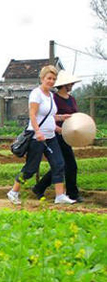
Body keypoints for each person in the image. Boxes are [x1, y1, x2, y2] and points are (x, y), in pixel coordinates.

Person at [7, 65, 75, 205]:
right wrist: (37, 132)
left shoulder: (50, 95)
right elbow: (32, 114)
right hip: (37, 138)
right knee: (30, 169)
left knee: (59, 164)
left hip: (51, 137)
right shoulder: (36, 94)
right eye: (48, 78)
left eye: (53, 79)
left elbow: (50, 116)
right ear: (42, 78)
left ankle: (60, 195)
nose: (51, 81)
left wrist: (61, 119)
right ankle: (13, 192)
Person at [32, 71, 83, 202]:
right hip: (56, 134)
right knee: (69, 165)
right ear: (64, 85)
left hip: (68, 135)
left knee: (61, 164)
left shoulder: (71, 99)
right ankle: (72, 193)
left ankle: (39, 187)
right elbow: (48, 116)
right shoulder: (54, 98)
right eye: (70, 83)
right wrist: (59, 128)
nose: (71, 85)